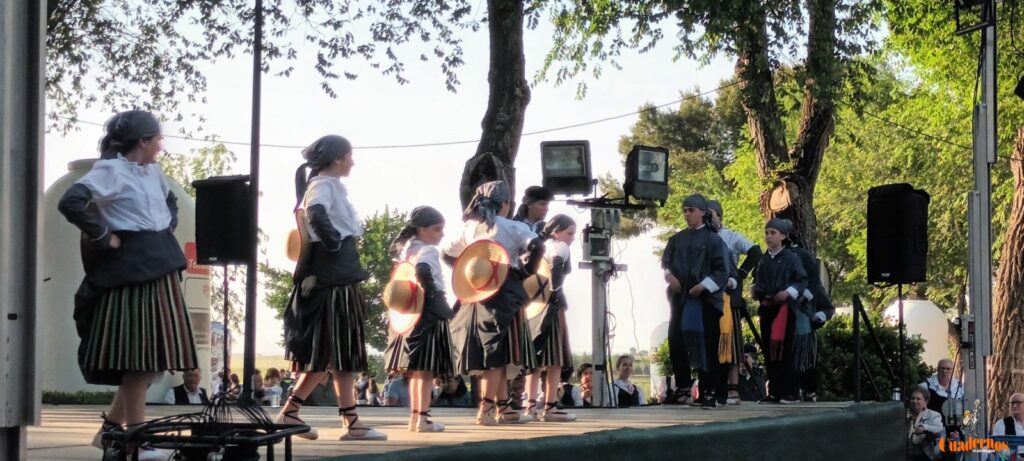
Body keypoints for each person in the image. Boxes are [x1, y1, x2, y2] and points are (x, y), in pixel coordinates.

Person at [58, 110, 199, 460]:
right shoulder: (111, 170)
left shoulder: (153, 172)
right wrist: (104, 235)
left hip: (160, 265)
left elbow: (169, 202)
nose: (161, 145)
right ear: (143, 141)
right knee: (139, 361)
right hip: (131, 272)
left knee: (152, 362)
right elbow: (71, 202)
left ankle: (111, 432)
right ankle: (136, 442)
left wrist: (164, 228)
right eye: (158, 139)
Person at [277, 134, 386, 441]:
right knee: (331, 352)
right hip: (331, 282)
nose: (353, 161)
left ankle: (333, 419)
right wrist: (333, 242)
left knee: (338, 355)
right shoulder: (322, 185)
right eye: (349, 156)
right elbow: (315, 212)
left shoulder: (329, 185)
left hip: (339, 279)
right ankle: (301, 415)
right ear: (338, 159)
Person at [443, 180, 545, 425]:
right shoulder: (511, 227)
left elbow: (446, 252)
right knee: (497, 353)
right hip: (504, 289)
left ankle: (504, 408)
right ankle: (486, 409)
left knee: (490, 351)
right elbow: (537, 245)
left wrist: (465, 271)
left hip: (475, 291)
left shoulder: (469, 228)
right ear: (506, 203)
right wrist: (525, 271)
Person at [384, 205, 456, 431]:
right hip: (428, 311)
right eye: (437, 229)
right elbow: (424, 271)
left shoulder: (407, 251)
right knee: (426, 370)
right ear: (422, 229)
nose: (442, 234)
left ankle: (415, 418)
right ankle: (422, 419)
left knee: (416, 370)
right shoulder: (428, 251)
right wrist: (433, 296)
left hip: (409, 313)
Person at [662, 194, 729, 408]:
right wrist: (670, 278)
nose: (687, 214)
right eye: (684, 210)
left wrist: (702, 286)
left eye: (691, 210)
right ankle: (683, 388)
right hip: (681, 299)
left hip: (704, 301)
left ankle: (709, 391)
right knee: (676, 341)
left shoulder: (713, 240)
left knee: (706, 344)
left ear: (702, 212)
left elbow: (722, 270)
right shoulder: (677, 239)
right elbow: (666, 264)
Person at [706, 200, 762, 405]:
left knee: (732, 343)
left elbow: (755, 251)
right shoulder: (702, 237)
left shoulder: (731, 237)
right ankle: (712, 388)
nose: (708, 218)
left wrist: (741, 273)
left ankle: (733, 389)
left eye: (711, 214)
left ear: (719, 216)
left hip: (729, 295)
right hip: (708, 297)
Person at [523, 215, 578, 422]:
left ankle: (529, 406)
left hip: (534, 306)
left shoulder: (539, 247)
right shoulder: (560, 247)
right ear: (557, 233)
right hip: (551, 306)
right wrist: (556, 291)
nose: (572, 238)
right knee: (555, 359)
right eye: (569, 233)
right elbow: (556, 264)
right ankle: (550, 407)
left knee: (535, 361)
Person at [750, 218, 808, 404]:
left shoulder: (791, 258)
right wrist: (755, 290)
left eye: (773, 233)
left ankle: (790, 392)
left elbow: (801, 280)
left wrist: (788, 292)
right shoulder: (763, 260)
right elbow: (757, 281)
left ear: (783, 236)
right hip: (767, 308)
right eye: (767, 233)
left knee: (785, 350)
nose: (768, 236)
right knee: (769, 350)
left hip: (784, 309)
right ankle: (774, 391)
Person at [785, 232, 834, 403]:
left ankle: (808, 390)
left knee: (805, 360)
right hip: (785, 328)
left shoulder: (813, 287)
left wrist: (819, 315)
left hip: (804, 330)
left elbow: (828, 308)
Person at [920, 358, 964, 441]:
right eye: (942, 368)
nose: (945, 371)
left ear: (953, 370)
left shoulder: (961, 387)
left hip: (955, 431)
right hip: (934, 432)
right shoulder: (925, 386)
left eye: (948, 369)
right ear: (937, 369)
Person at [907, 386, 944, 461]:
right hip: (906, 455)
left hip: (926, 456)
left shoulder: (934, 415)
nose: (914, 401)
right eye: (912, 398)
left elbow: (939, 428)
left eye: (918, 399)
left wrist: (924, 427)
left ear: (926, 402)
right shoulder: (903, 414)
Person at [991, 392, 1024, 458]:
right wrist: (1017, 458)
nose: (1014, 406)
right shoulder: (1001, 424)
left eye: (1018, 402)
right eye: (1012, 403)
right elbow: (998, 447)